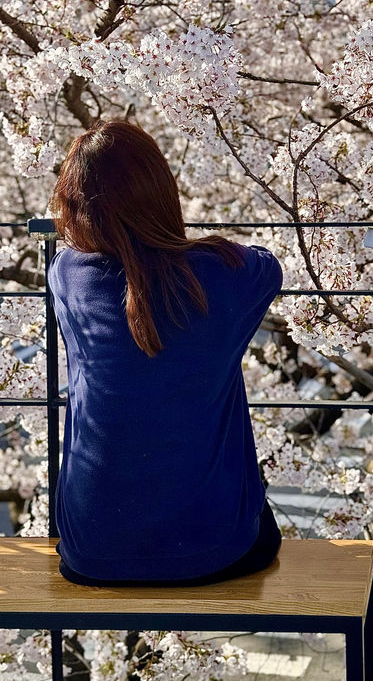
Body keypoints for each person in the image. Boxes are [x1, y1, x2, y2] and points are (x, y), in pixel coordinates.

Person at [47, 118, 283, 586]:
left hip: (91, 552)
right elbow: (266, 263)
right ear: (162, 191)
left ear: (73, 206)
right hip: (214, 550)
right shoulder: (227, 275)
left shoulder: (66, 274)